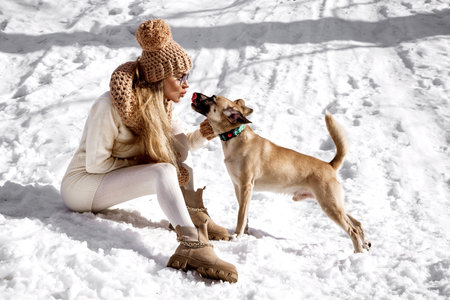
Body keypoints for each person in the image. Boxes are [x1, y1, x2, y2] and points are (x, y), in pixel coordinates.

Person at [60, 19, 238, 283]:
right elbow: (96, 164)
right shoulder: (109, 106)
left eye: (187, 76)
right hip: (82, 186)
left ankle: (194, 218)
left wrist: (205, 132)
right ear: (157, 79)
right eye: (179, 77)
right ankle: (191, 244)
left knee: (180, 170)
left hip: (103, 179)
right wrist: (151, 161)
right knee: (164, 171)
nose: (186, 84)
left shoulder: (160, 108)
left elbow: (179, 151)